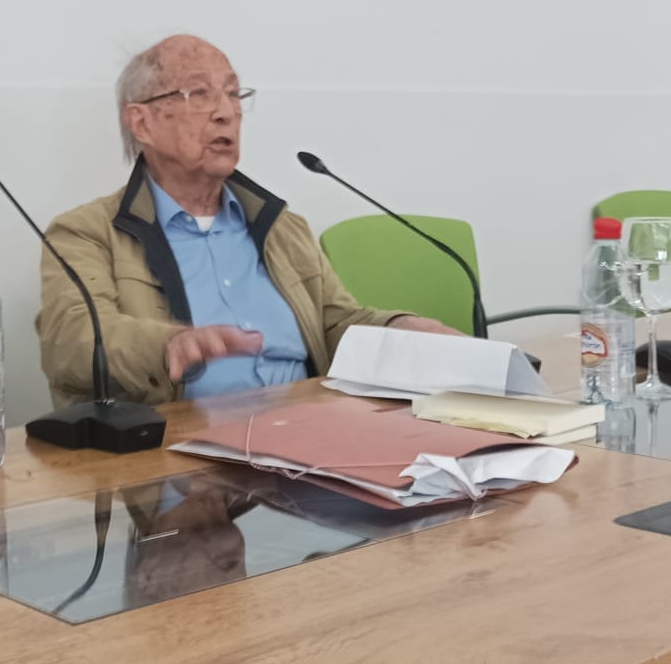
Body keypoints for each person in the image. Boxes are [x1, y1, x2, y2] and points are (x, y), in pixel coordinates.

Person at [34, 34, 459, 407]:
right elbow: (71, 343)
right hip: (179, 449)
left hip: (307, 433)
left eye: (234, 94)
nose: (226, 112)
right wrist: (169, 345)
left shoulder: (281, 227)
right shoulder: (87, 233)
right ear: (141, 122)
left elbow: (333, 323)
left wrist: (398, 327)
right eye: (199, 94)